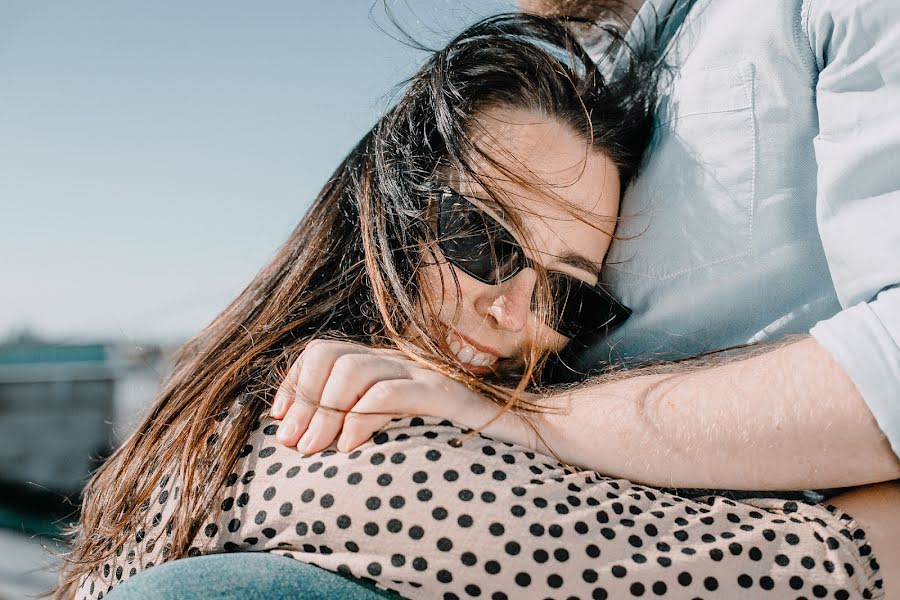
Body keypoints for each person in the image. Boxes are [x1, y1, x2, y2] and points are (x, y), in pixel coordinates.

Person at [55, 13, 884, 600]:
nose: (514, 313)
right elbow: (482, 525)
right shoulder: (308, 414)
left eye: (567, 293)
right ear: (391, 204)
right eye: (481, 240)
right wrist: (859, 550)